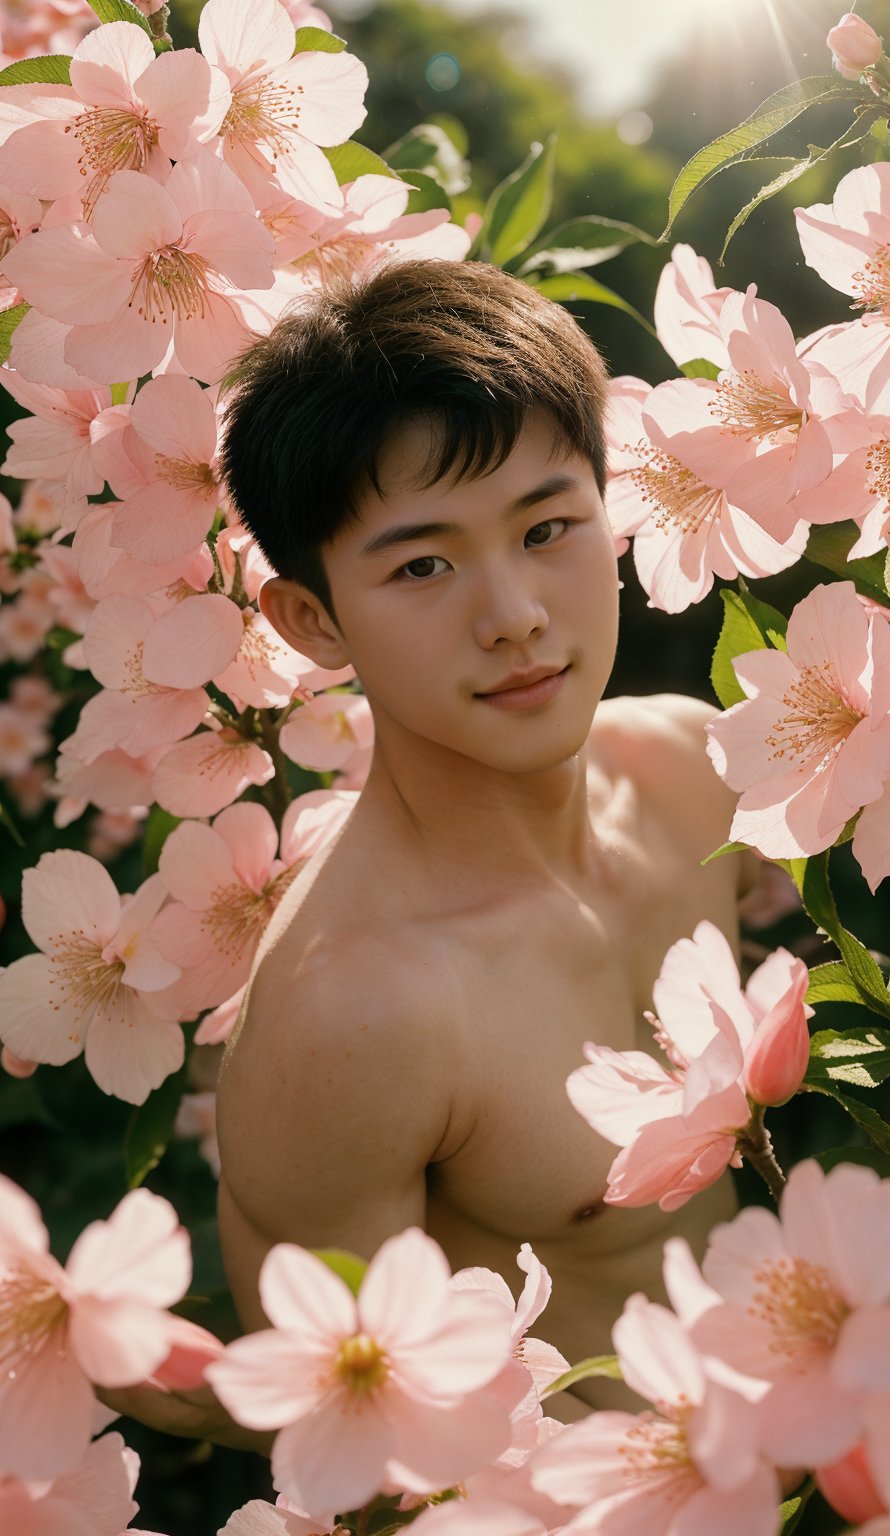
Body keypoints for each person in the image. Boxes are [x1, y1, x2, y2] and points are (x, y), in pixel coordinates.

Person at [109, 257, 751, 1446]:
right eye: (421, 564)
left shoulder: (695, 775)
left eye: (549, 527)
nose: (512, 612)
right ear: (311, 621)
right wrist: (183, 1390)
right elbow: (352, 1426)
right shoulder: (354, 1009)